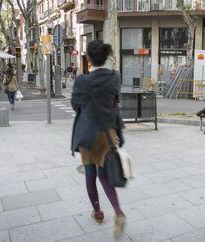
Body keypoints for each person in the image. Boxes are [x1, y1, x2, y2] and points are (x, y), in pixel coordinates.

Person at [71, 40, 125, 237]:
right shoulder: (115, 77)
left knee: (90, 175)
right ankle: (118, 212)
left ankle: (98, 212)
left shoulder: (82, 81)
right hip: (107, 134)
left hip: (87, 134)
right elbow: (116, 103)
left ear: (89, 60)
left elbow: (75, 105)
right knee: (104, 176)